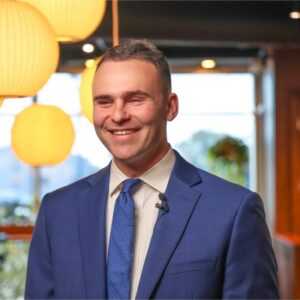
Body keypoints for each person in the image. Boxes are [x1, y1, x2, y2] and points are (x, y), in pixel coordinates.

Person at [25, 39, 279, 299]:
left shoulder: (233, 211)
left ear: (170, 107)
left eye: (135, 99)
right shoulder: (57, 212)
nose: (118, 115)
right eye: (104, 101)